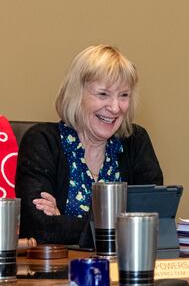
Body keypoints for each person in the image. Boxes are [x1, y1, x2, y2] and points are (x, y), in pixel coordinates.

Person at [16, 45, 163, 244]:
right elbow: (40, 228)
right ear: (76, 94)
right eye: (103, 94)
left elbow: (154, 222)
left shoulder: (135, 141)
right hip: (61, 264)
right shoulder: (42, 141)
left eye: (124, 95)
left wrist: (63, 222)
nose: (115, 108)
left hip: (125, 262)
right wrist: (121, 225)